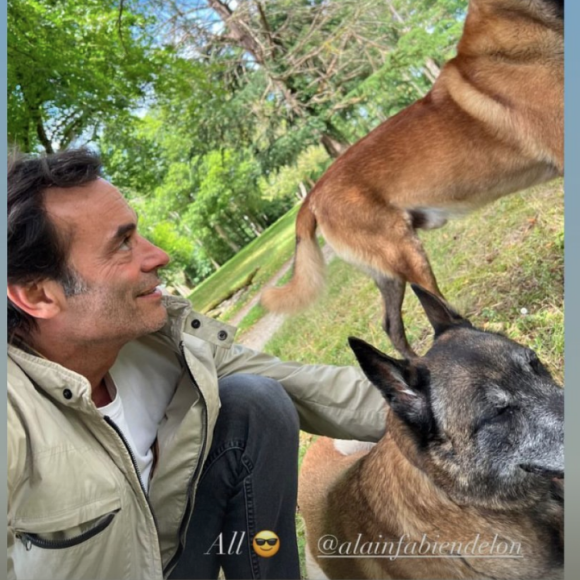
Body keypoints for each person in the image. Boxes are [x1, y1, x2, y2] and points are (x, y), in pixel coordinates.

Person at [7, 148, 386, 580]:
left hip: (173, 562)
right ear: (38, 296)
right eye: (123, 244)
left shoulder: (159, 339)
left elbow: (303, 383)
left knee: (252, 401)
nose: (159, 256)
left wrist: (440, 410)